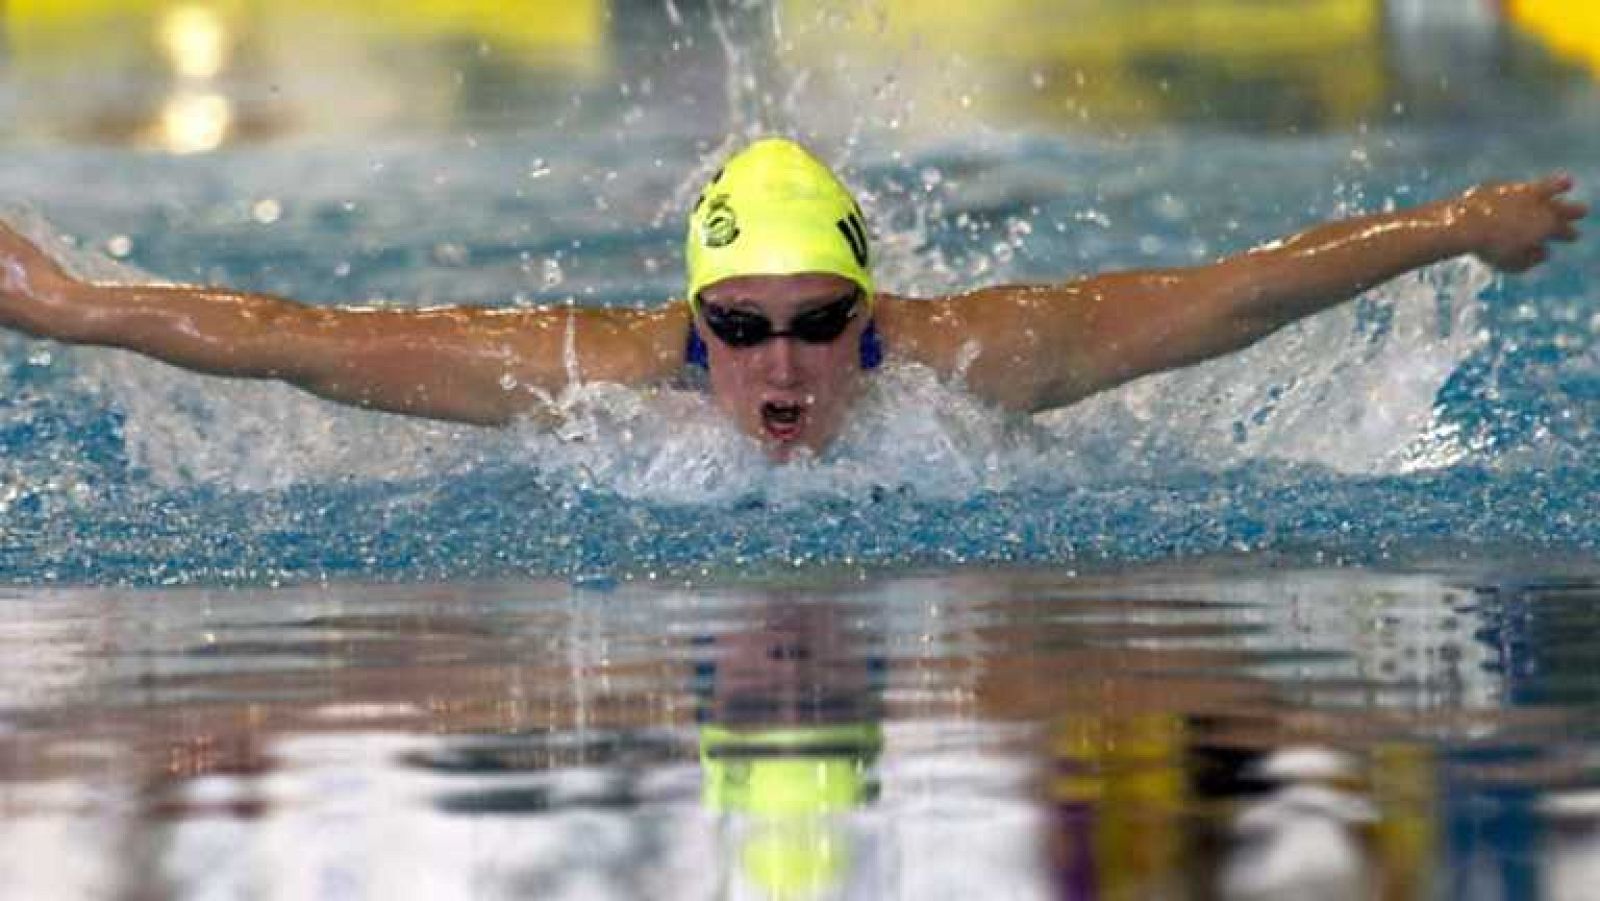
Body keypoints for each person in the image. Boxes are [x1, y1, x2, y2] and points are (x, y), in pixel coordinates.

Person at [0, 138, 1587, 461]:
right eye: (742, 327)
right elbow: (307, 344)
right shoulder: (593, 381)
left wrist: (1459, 225)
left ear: (871, 319)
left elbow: (1237, 296)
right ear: (689, 331)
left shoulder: (975, 363)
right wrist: (70, 307)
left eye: (820, 322)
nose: (782, 360)